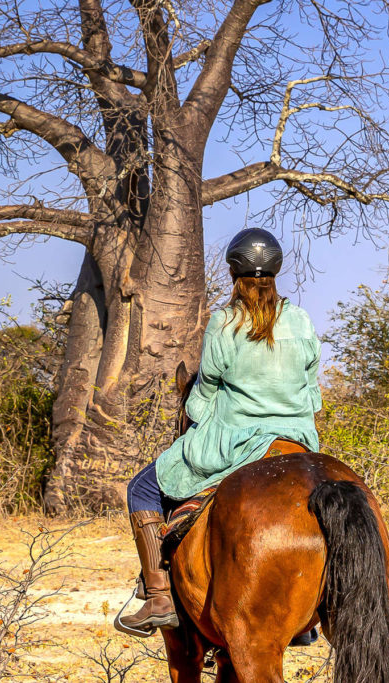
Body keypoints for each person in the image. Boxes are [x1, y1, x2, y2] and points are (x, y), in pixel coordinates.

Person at [119, 227, 323, 634]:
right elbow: (313, 391)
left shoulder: (225, 321)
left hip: (235, 439)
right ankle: (305, 616)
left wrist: (193, 413)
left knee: (140, 488)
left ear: (234, 273)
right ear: (276, 271)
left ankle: (158, 595)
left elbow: (206, 389)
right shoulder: (300, 319)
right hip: (298, 440)